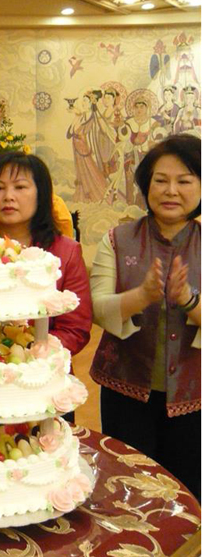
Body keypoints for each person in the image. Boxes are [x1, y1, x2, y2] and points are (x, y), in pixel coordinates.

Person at [89, 135, 200, 500]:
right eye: (160, 180)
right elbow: (97, 307)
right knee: (127, 489)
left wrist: (188, 301)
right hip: (125, 388)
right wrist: (142, 296)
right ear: (146, 184)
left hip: (195, 393)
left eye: (184, 181)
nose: (171, 190)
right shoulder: (117, 239)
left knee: (188, 492)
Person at [0, 151, 92, 360]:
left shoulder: (66, 252)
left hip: (37, 369)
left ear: (40, 194)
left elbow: (75, 329)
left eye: (20, 187)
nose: (8, 196)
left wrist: (26, 354)